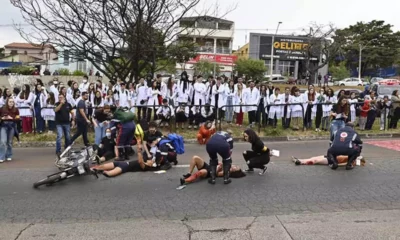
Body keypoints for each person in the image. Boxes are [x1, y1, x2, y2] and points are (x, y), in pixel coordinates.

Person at [91, 145, 156, 177]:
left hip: (125, 167)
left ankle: (100, 171)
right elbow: (143, 159)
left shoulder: (145, 167)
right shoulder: (145, 161)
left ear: (150, 165)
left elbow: (140, 161)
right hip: (122, 163)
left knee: (109, 174)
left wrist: (139, 151)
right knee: (101, 166)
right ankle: (93, 169)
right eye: (151, 160)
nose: (150, 160)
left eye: (152, 162)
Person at [180, 156, 246, 185]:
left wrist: (219, 167)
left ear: (234, 171)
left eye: (236, 168)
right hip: (209, 166)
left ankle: (185, 180)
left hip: (209, 172)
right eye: (236, 166)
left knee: (200, 172)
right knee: (195, 158)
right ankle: (189, 173)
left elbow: (217, 174)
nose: (235, 166)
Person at [0, 98, 20, 162]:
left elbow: (18, 118)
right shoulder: (2, 109)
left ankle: (9, 155)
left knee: (9, 142)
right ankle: (1, 156)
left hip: (11, 126)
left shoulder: (16, 109)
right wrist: (2, 118)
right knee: (3, 141)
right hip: (3, 125)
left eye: (12, 102)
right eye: (10, 102)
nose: (11, 103)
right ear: (7, 102)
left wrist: (12, 118)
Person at [292, 155, 365, 166]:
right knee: (314, 158)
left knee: (315, 160)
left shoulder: (351, 161)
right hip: (330, 156)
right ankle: (299, 160)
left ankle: (300, 162)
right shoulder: (350, 158)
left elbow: (342, 164)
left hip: (330, 159)